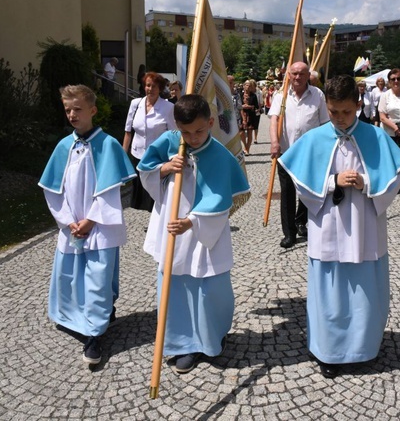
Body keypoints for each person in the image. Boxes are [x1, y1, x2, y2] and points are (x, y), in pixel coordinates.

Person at [278, 75, 400, 379]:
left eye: (346, 112)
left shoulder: (376, 137)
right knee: (330, 293)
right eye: (334, 112)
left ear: (358, 105)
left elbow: (395, 178)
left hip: (365, 228)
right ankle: (329, 351)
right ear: (327, 106)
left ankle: (363, 347)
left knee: (364, 291)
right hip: (328, 229)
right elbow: (301, 185)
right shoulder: (315, 138)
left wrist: (366, 183)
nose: (339, 119)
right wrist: (331, 181)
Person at [137, 94, 250, 374]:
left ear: (211, 122)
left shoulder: (220, 156)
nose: (193, 137)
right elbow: (145, 171)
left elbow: (222, 198)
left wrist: (193, 222)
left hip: (203, 233)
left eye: (199, 130)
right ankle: (182, 344)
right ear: (176, 126)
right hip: (172, 229)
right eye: (186, 132)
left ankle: (212, 339)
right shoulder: (169, 143)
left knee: (211, 290)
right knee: (175, 288)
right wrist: (165, 167)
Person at [39, 84, 136, 364]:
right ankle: (75, 317)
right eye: (67, 109)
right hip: (71, 227)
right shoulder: (63, 146)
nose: (72, 114)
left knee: (97, 280)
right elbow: (52, 189)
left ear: (92, 110)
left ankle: (95, 334)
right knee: (69, 276)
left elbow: (110, 190)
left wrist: (91, 220)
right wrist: (68, 221)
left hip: (99, 227)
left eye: (77, 109)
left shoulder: (108, 145)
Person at [268, 61, 329, 248]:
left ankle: (301, 221)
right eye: (294, 73)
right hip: (286, 152)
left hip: (310, 153)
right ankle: (289, 233)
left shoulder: (318, 95)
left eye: (301, 74)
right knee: (287, 193)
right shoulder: (281, 96)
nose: (297, 77)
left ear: (308, 75)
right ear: (288, 75)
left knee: (307, 190)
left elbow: (325, 122)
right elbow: (274, 120)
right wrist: (274, 142)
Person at [122, 72, 177, 212]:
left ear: (160, 88)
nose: (150, 89)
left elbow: (173, 134)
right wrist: (123, 154)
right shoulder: (135, 104)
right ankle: (153, 216)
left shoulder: (168, 107)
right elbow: (128, 131)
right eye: (147, 85)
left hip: (157, 157)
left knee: (156, 189)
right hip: (138, 154)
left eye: (154, 86)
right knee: (141, 190)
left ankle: (158, 217)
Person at [241, 79, 260, 155]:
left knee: (249, 133)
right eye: (247, 85)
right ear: (244, 86)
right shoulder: (239, 94)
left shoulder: (253, 95)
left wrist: (249, 106)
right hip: (241, 115)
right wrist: (242, 106)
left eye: (249, 85)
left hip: (251, 116)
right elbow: (236, 105)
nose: (248, 87)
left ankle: (247, 150)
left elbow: (256, 106)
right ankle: (245, 146)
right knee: (241, 132)